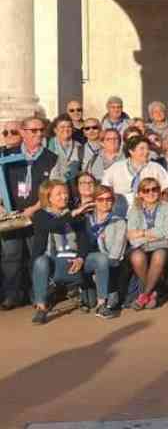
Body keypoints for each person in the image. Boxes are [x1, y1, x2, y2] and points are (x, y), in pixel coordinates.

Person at [1, 116, 59, 310]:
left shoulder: (51, 158)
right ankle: (12, 295)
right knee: (11, 256)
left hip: (38, 215)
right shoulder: (8, 156)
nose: (39, 134)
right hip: (12, 217)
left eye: (41, 130)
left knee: (37, 255)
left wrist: (34, 209)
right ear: (23, 133)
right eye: (33, 130)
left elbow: (54, 190)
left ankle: (38, 294)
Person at [29, 180, 95, 324]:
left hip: (73, 260)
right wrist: (73, 214)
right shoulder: (40, 215)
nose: (64, 196)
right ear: (48, 197)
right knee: (40, 262)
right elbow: (53, 224)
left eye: (65, 193)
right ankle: (41, 308)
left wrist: (81, 258)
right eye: (58, 194)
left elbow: (84, 241)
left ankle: (78, 289)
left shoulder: (75, 213)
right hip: (50, 262)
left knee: (91, 303)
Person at [125, 178, 168, 310]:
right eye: (146, 190)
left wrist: (141, 233)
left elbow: (166, 231)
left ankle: (144, 295)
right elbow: (130, 235)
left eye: (154, 189)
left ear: (159, 191)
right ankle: (153, 291)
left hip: (161, 246)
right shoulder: (134, 210)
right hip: (140, 246)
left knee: (159, 255)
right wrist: (153, 235)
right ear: (140, 193)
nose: (151, 193)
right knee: (137, 257)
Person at [82, 185, 127, 317]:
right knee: (89, 302)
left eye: (108, 199)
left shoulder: (119, 221)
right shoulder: (86, 220)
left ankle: (103, 301)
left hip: (108, 263)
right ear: (94, 201)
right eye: (100, 199)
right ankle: (84, 287)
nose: (105, 202)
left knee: (113, 302)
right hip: (87, 261)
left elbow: (116, 252)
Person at [103, 135, 168, 213]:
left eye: (148, 149)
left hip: (149, 211)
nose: (146, 152)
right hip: (120, 211)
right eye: (142, 149)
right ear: (131, 151)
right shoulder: (116, 167)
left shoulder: (156, 168)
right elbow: (104, 188)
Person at [48, 114, 83, 182]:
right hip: (51, 184)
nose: (66, 129)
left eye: (69, 127)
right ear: (55, 130)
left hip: (71, 184)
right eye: (62, 127)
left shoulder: (79, 146)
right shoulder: (47, 144)